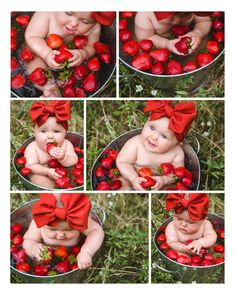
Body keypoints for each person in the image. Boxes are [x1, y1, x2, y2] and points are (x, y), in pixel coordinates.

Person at [24, 12, 116, 97]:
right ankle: (51, 88)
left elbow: (92, 46)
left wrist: (84, 53)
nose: (73, 23)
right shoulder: (46, 13)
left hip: (72, 57)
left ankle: (70, 89)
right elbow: (32, 37)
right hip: (41, 49)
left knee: (88, 67)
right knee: (34, 60)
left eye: (85, 22)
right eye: (68, 12)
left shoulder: (94, 27)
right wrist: (45, 53)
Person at [116, 100, 197, 190]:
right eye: (152, 128)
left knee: (175, 189)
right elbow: (122, 162)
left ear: (178, 142)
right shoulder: (135, 144)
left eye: (164, 136)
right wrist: (133, 178)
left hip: (159, 183)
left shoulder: (177, 153)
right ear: (146, 122)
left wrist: (164, 180)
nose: (154, 137)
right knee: (122, 185)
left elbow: (178, 173)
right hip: (132, 177)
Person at [23, 193, 104, 270]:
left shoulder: (78, 219)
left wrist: (86, 251)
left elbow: (96, 231)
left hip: (72, 256)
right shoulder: (41, 220)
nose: (60, 235)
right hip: (44, 257)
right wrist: (32, 247)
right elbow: (28, 239)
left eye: (69, 230)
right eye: (53, 229)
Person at [24, 100, 78, 189]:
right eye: (43, 131)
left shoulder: (66, 144)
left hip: (64, 173)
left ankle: (70, 187)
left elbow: (74, 160)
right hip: (43, 173)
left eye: (56, 131)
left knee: (74, 172)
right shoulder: (33, 148)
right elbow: (30, 166)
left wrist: (63, 157)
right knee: (35, 177)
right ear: (34, 132)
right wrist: (47, 171)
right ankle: (52, 188)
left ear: (65, 133)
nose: (50, 136)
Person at [135, 12, 212, 55]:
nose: (178, 19)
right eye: (174, 14)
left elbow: (204, 21)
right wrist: (166, 44)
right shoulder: (145, 15)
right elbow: (145, 40)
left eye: (186, 13)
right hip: (159, 47)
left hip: (185, 43)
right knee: (142, 53)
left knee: (202, 47)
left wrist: (198, 32)